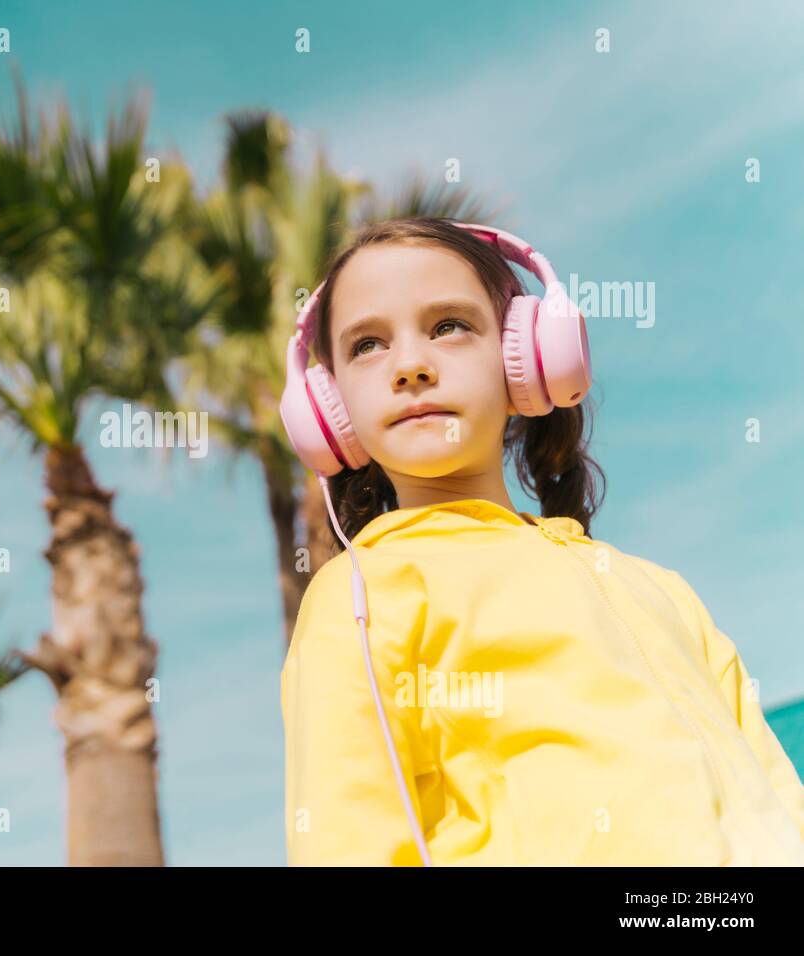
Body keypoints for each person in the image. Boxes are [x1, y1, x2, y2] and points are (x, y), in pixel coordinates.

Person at [279, 217, 804, 865]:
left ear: (524, 359)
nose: (411, 365)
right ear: (328, 406)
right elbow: (345, 840)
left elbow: (778, 790)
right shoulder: (360, 596)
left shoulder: (659, 588)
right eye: (367, 345)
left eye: (448, 326)